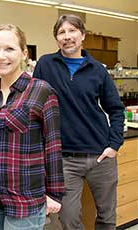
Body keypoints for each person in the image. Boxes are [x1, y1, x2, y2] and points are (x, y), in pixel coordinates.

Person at [33, 14, 125, 230]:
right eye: (61, 32)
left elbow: (116, 110)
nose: (67, 37)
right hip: (65, 159)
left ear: (82, 35)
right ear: (56, 39)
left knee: (106, 216)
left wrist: (114, 145)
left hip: (101, 156)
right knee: (68, 220)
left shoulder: (98, 70)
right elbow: (34, 105)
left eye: (72, 31)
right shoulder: (46, 64)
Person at [0, 24, 64, 230]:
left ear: (24, 54)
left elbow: (53, 147)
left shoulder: (41, 91)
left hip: (24, 199)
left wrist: (54, 193)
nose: (1, 56)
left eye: (9, 49)